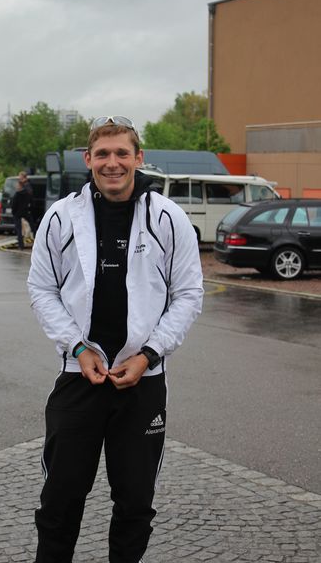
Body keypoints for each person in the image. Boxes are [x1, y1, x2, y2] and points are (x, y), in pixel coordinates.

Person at [27, 115, 204, 563]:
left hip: (142, 382)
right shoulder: (60, 217)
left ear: (138, 157)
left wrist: (149, 354)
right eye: (102, 154)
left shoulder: (168, 218)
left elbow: (188, 294)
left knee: (135, 505)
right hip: (79, 377)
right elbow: (42, 289)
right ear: (88, 159)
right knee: (59, 501)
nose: (112, 163)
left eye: (122, 153)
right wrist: (77, 347)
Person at [11, 178, 36, 249]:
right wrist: (29, 210)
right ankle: (37, 239)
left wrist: (13, 212)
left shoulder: (17, 194)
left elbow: (13, 205)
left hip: (17, 213)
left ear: (20, 186)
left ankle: (21, 245)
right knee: (33, 226)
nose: (16, 187)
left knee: (19, 229)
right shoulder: (27, 193)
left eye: (17, 185)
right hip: (26, 212)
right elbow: (32, 203)